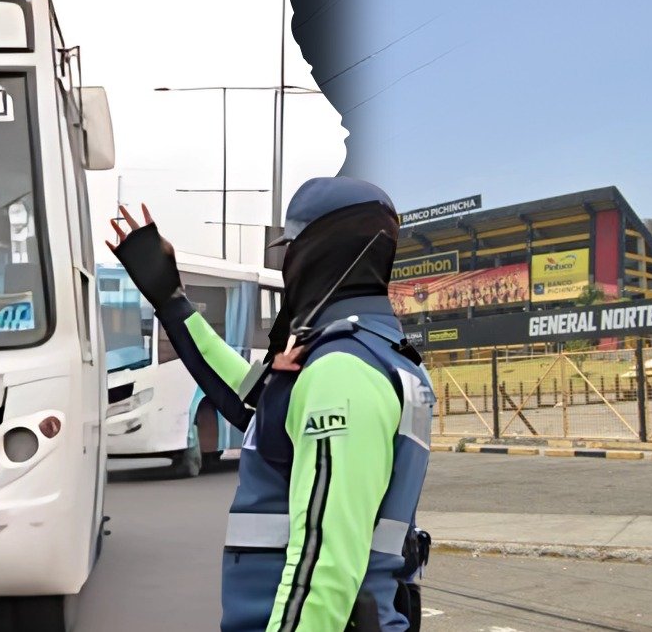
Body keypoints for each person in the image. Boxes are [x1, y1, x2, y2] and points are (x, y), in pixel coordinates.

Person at [107, 176, 435, 632]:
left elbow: (323, 565)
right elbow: (255, 408)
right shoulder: (380, 354)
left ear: (316, 252)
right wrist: (172, 301)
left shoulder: (341, 370)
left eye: (291, 250)